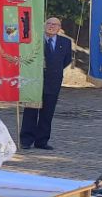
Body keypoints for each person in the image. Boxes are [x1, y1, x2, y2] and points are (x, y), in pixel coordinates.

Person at [20, 17, 72, 150]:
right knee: (31, 110)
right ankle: (26, 140)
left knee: (47, 112)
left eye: (55, 24)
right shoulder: (34, 40)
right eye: (49, 23)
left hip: (53, 81)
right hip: (34, 81)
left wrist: (53, 69)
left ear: (59, 28)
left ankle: (42, 141)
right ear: (44, 25)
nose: (51, 26)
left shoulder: (65, 42)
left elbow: (66, 60)